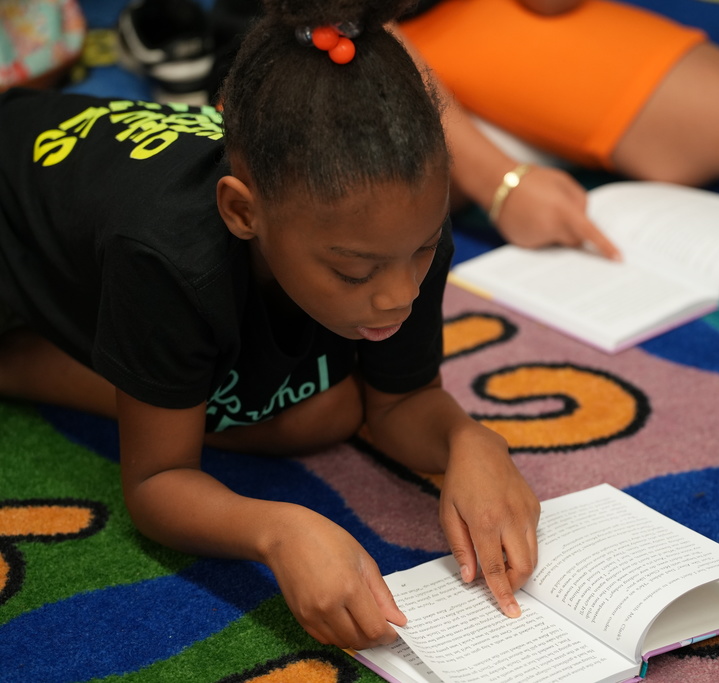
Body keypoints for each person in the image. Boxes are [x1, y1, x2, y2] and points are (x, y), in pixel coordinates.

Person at [0, 0, 540, 652]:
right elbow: (155, 482)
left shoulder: (403, 223)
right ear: (241, 212)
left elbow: (400, 402)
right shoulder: (168, 257)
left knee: (331, 408)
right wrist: (279, 530)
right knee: (320, 413)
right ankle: (20, 361)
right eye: (353, 272)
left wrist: (469, 440)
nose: (399, 295)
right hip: (15, 238)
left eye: (422, 251)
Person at [395, 0, 719, 259]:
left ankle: (486, 121)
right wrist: (500, 183)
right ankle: (478, 127)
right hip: (357, 34)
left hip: (455, 12)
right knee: (383, 207)